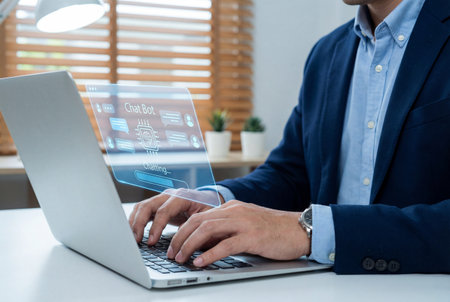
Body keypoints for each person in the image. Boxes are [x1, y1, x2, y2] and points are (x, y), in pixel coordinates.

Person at [129, 0, 450, 274]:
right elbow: (290, 173)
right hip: (322, 285)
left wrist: (309, 232)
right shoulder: (327, 54)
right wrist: (215, 199)